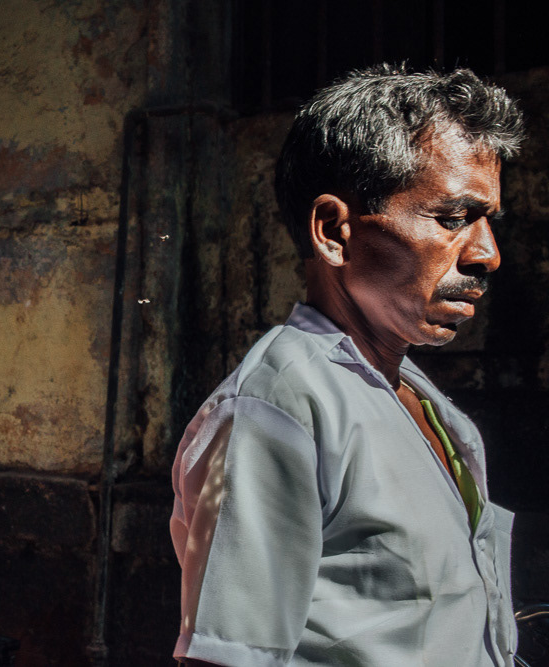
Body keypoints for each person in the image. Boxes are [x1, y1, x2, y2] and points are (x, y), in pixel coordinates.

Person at [170, 65, 524, 666]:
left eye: (488, 220)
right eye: (452, 218)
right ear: (335, 231)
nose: (486, 253)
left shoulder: (417, 398)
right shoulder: (277, 410)